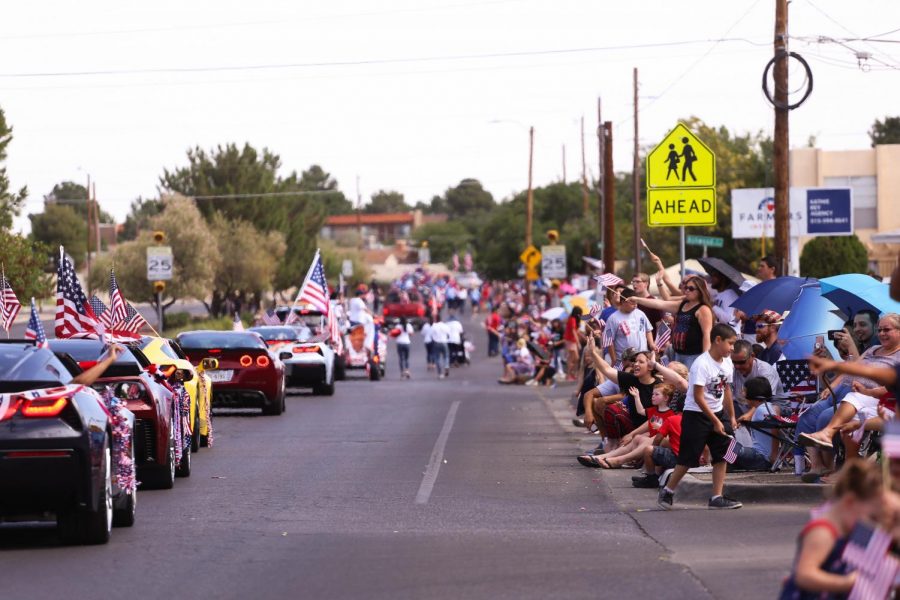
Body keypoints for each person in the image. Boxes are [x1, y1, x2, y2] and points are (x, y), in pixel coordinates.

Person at [657, 323, 741, 510]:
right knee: (689, 457)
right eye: (730, 343)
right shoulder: (701, 364)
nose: (732, 348)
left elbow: (726, 389)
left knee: (722, 454)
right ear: (718, 340)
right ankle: (668, 490)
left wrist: (731, 416)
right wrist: (715, 421)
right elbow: (698, 396)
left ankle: (716, 497)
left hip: (717, 412)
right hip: (696, 414)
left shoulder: (727, 362)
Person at [779, 460, 882, 599]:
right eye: (870, 516)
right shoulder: (823, 532)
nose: (870, 522)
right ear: (850, 502)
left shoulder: (847, 528)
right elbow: (804, 574)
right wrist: (846, 583)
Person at [578, 383, 676, 469]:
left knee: (641, 439)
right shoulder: (653, 410)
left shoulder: (670, 414)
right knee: (637, 438)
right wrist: (637, 397)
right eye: (653, 394)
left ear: (666, 398)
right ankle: (605, 456)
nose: (653, 396)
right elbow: (641, 411)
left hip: (659, 440)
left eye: (656, 394)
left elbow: (664, 432)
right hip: (653, 437)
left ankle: (621, 460)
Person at [584, 339, 660, 449]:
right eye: (635, 361)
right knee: (612, 410)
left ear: (650, 366)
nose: (635, 364)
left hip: (650, 429)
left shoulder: (659, 386)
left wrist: (633, 435)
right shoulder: (632, 379)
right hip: (633, 425)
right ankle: (612, 443)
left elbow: (656, 420)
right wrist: (593, 352)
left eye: (640, 362)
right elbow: (607, 370)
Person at [632, 274, 714, 369]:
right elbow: (660, 304)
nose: (687, 290)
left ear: (700, 291)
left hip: (693, 356)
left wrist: (705, 359)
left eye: (691, 288)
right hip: (677, 353)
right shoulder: (683, 304)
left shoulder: (703, 309)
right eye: (686, 287)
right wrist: (637, 299)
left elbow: (707, 335)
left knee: (687, 382)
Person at [734, 377, 780, 471]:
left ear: (752, 393)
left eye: (745, 391)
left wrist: (774, 455)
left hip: (761, 458)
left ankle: (728, 464)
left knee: (725, 448)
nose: (743, 394)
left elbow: (775, 428)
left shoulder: (761, 409)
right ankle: (731, 465)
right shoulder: (764, 407)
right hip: (758, 455)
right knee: (728, 448)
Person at [602, 288, 654, 364]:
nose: (635, 305)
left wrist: (651, 344)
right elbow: (609, 341)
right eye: (632, 303)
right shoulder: (613, 318)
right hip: (625, 361)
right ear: (623, 302)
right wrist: (614, 359)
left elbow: (648, 330)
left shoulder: (640, 314)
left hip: (642, 358)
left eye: (636, 303)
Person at [730, 339, 784, 411]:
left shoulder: (765, 371)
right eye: (734, 362)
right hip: (744, 407)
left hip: (771, 406)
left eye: (741, 362)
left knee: (764, 411)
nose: (737, 366)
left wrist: (747, 417)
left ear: (752, 355)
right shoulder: (731, 369)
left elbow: (763, 401)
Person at [563, 306, 584, 381]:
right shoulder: (572, 319)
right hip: (571, 340)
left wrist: (583, 336)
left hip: (571, 340)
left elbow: (576, 331)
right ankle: (569, 374)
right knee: (574, 358)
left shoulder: (572, 319)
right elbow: (573, 331)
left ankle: (570, 374)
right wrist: (578, 342)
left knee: (572, 358)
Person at [431, 314, 451, 379]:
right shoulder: (445, 325)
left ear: (435, 319)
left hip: (436, 343)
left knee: (437, 358)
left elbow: (431, 335)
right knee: (446, 356)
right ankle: (446, 366)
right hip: (444, 342)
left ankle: (440, 373)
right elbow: (448, 334)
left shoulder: (434, 326)